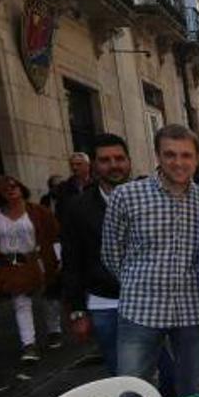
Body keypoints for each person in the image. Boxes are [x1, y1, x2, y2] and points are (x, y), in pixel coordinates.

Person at [102, 124, 199, 397]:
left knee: (193, 392)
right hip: (141, 309)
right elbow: (111, 252)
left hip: (192, 310)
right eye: (170, 154)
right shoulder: (127, 196)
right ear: (158, 156)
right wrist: (136, 282)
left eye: (186, 155)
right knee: (131, 392)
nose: (178, 162)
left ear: (197, 158)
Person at [60, 134, 132, 373]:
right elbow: (72, 261)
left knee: (166, 369)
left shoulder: (149, 199)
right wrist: (77, 311)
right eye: (105, 160)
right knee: (121, 373)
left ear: (129, 161)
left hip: (150, 301)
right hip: (105, 302)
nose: (114, 165)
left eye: (119, 158)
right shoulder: (78, 207)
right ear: (95, 165)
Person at [0, 174, 62, 363]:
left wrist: (58, 257)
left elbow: (53, 234)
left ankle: (54, 330)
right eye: (6, 189)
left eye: (14, 186)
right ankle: (29, 344)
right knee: (20, 301)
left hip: (38, 257)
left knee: (49, 297)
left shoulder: (38, 211)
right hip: (13, 260)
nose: (12, 190)